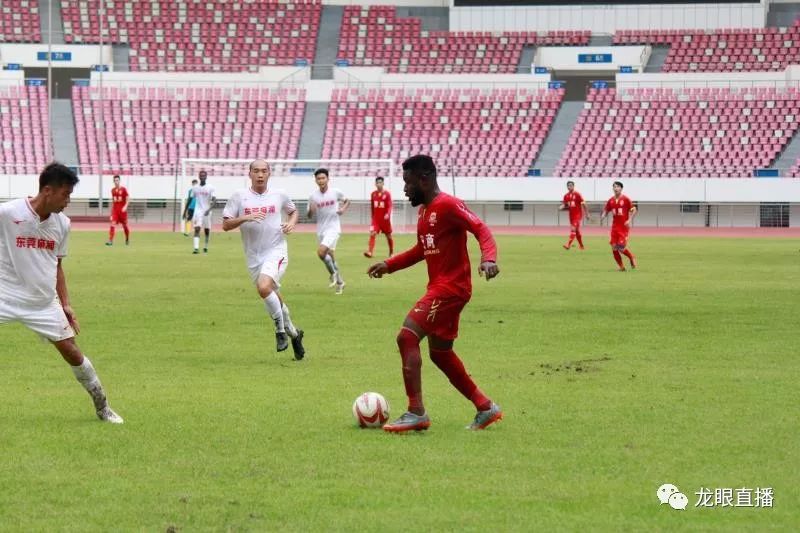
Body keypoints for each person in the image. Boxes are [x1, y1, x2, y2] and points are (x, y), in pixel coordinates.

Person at [367, 155, 502, 433]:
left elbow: (480, 228)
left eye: (408, 183)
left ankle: (416, 412)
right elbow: (420, 250)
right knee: (440, 353)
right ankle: (485, 407)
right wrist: (389, 265)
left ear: (424, 179)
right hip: (442, 287)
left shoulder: (448, 205)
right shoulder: (425, 211)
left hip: (451, 288)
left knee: (407, 336)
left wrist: (488, 258)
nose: (404, 190)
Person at [0, 163, 123, 423]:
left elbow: (58, 266)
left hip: (43, 303)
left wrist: (66, 305)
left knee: (72, 352)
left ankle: (103, 407)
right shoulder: (8, 213)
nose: (68, 201)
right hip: (5, 296)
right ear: (47, 190)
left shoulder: (63, 224)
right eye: (65, 194)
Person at [223, 160, 305, 359]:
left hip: (276, 250)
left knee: (263, 287)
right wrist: (245, 218)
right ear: (249, 174)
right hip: (253, 256)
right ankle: (294, 334)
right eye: (256, 171)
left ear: (269, 174)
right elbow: (226, 224)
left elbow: (293, 211)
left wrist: (291, 223)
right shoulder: (239, 197)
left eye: (264, 171)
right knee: (270, 293)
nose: (260, 174)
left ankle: (279, 331)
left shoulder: (279, 194)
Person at [307, 168, 350, 294]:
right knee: (330, 257)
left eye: (323, 178)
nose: (321, 180)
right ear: (315, 180)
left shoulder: (335, 192)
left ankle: (333, 275)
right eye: (318, 178)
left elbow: (347, 200)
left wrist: (343, 209)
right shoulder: (313, 196)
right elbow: (309, 215)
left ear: (328, 179)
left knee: (321, 252)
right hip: (321, 230)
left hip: (333, 228)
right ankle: (341, 283)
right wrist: (311, 210)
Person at [599, 181, 637, 271]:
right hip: (614, 227)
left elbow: (634, 209)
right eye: (614, 187)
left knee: (621, 247)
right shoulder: (611, 200)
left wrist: (629, 220)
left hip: (623, 227)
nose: (615, 188)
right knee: (614, 248)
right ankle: (621, 267)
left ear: (621, 188)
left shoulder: (626, 199)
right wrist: (603, 216)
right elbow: (606, 210)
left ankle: (632, 257)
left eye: (617, 187)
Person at [363, 176, 394, 258]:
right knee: (372, 233)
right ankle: (370, 252)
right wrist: (372, 217)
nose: (379, 184)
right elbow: (372, 206)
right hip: (376, 219)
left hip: (385, 220)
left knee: (388, 236)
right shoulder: (373, 194)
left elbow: (390, 205)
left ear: (383, 183)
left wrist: (388, 214)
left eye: (380, 182)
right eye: (377, 183)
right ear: (375, 184)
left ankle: (391, 252)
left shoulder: (387, 194)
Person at [192, 170, 216, 254]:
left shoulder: (210, 187)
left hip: (207, 211)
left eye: (203, 175)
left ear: (206, 177)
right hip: (198, 211)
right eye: (201, 175)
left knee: (206, 230)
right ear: (199, 177)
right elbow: (191, 199)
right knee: (197, 228)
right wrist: (185, 211)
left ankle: (205, 246)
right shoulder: (195, 188)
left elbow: (214, 200)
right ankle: (196, 249)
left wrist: (209, 209)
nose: (202, 177)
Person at [560, 180, 587, 250]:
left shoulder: (577, 194)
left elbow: (584, 204)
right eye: (568, 186)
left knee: (573, 229)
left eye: (571, 185)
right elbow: (566, 206)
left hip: (578, 215)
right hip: (571, 216)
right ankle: (581, 246)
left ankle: (568, 245)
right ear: (567, 187)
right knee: (577, 231)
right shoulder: (566, 196)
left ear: (573, 186)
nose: (569, 187)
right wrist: (562, 207)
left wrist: (587, 214)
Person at [105, 174, 130, 246]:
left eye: (117, 180)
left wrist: (125, 206)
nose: (116, 182)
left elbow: (128, 199)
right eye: (115, 180)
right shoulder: (112, 190)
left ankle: (127, 238)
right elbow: (114, 202)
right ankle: (110, 240)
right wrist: (111, 213)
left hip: (122, 212)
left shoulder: (124, 189)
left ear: (119, 181)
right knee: (112, 224)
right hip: (115, 211)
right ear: (113, 181)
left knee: (125, 226)